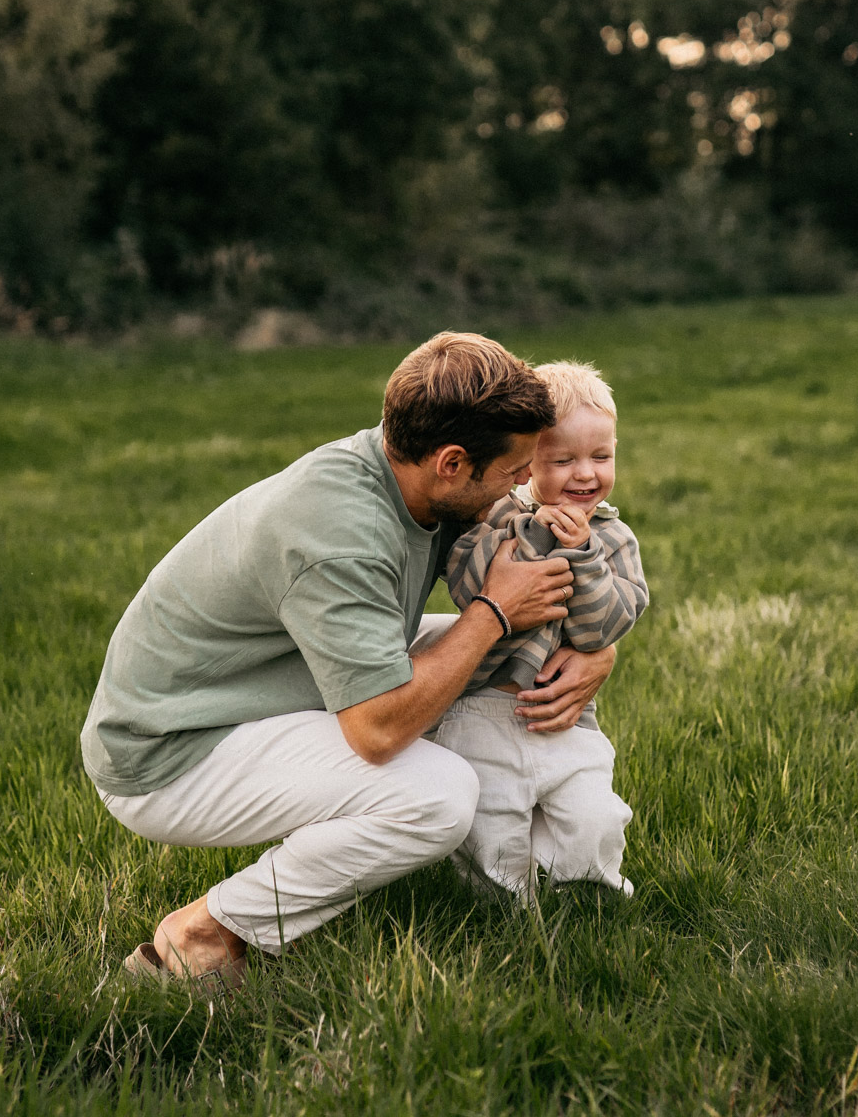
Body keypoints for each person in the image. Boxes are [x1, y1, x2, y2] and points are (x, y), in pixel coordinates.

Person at [81, 332, 617, 988]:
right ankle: (201, 934)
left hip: (268, 693)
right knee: (439, 797)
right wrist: (494, 613)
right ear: (452, 463)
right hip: (172, 751)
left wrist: (596, 649)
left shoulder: (416, 469)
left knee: (525, 661)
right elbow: (378, 730)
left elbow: (546, 577)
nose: (528, 483)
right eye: (513, 472)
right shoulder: (340, 534)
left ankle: (539, 875)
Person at [433, 361, 648, 900]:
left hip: (567, 718)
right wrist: (530, 534)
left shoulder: (612, 539)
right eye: (563, 459)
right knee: (493, 832)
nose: (585, 474)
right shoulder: (494, 518)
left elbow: (604, 627)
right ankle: (503, 918)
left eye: (601, 456)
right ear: (528, 464)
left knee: (594, 816)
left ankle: (590, 901)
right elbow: (467, 587)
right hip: (484, 711)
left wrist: (583, 555)